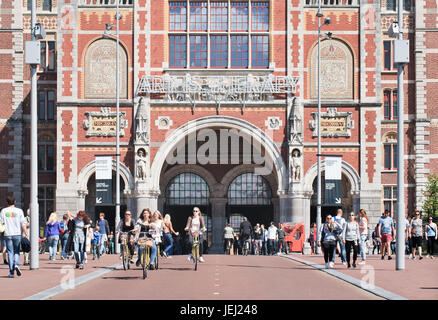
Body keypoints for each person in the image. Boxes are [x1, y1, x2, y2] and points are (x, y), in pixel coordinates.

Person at [0, 196, 27, 278]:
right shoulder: (19, 211)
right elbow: (23, 223)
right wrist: (26, 232)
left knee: (10, 252)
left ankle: (11, 273)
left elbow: (1, 223)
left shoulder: (3, 211)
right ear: (15, 202)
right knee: (16, 251)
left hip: (7, 234)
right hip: (17, 234)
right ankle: (16, 264)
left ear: (7, 202)